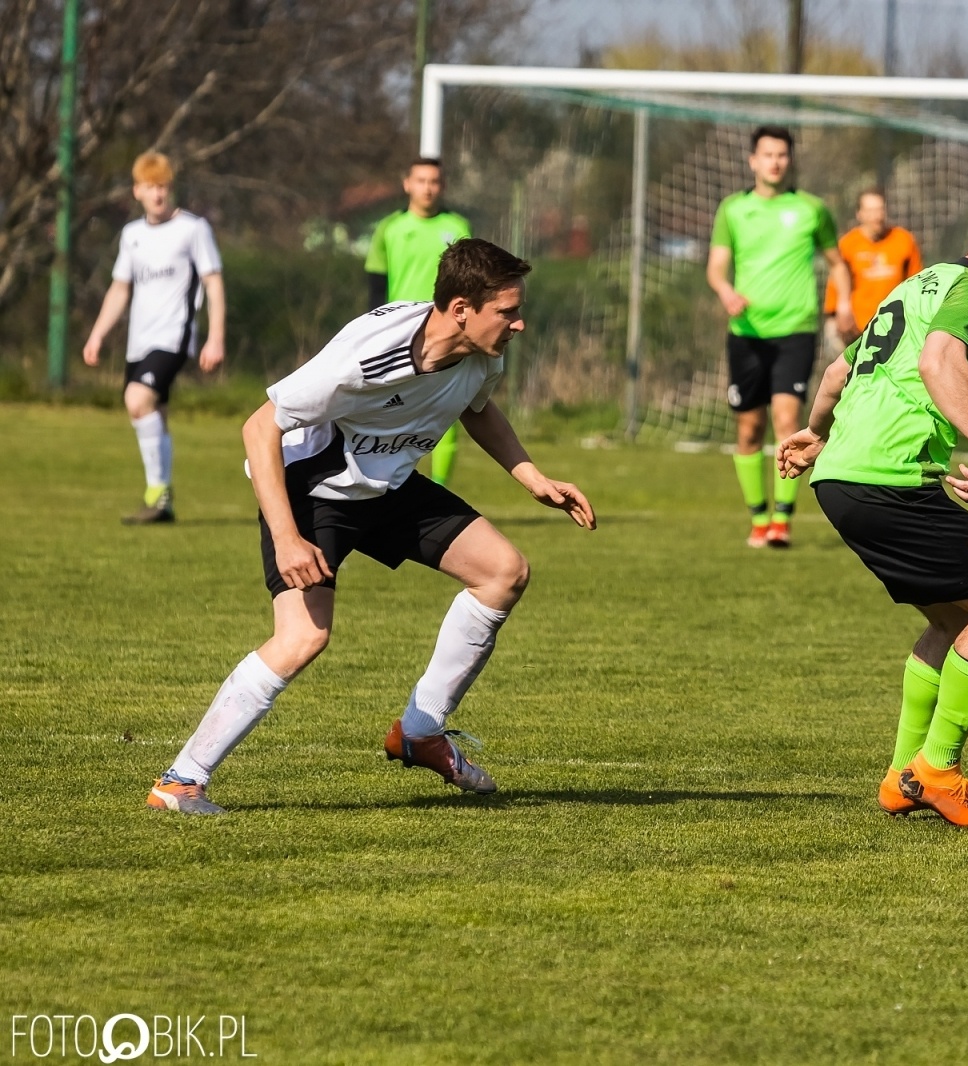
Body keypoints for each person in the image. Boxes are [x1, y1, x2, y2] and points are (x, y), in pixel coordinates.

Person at [146, 239, 596, 815]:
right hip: (315, 492)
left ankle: (421, 731)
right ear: (461, 309)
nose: (519, 323)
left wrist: (531, 476)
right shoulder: (367, 357)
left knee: (503, 572)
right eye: (507, 311)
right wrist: (288, 538)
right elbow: (259, 429)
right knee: (303, 638)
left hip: (387, 485)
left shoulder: (484, 352)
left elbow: (475, 406)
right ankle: (181, 780)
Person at [777, 184, 968, 829]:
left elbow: (835, 375)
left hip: (842, 480)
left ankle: (903, 774)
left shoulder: (918, 285)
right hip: (890, 479)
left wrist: (817, 433)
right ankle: (937, 769)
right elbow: (940, 359)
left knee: (955, 620)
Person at [707, 126, 856, 549]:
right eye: (767, 154)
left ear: (790, 161)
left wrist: (844, 303)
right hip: (747, 334)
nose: (775, 161)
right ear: (753, 160)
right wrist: (725, 291)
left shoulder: (812, 209)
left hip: (795, 329)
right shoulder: (733, 210)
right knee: (749, 428)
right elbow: (716, 266)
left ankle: (782, 521)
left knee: (789, 421)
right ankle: (757, 518)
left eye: (782, 155)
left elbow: (837, 263)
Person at [83, 150, 225, 524]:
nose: (158, 194)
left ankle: (156, 491)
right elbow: (119, 289)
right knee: (154, 415)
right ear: (137, 192)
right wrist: (97, 334)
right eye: (150, 187)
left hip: (174, 336)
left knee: (136, 400)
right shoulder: (132, 235)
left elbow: (213, 283)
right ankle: (161, 502)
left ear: (170, 188)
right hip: (139, 340)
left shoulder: (194, 229)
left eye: (163, 187)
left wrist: (216, 337)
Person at [366, 157, 473, 487]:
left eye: (435, 181)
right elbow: (375, 281)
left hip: (447, 328)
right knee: (392, 405)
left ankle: (439, 486)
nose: (428, 188)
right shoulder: (390, 228)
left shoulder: (457, 227)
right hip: (400, 330)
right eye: (421, 180)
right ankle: (386, 481)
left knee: (449, 406)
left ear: (442, 186)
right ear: (407, 184)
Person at [821, 189, 922, 358]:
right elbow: (835, 288)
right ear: (859, 214)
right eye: (870, 211)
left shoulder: (904, 240)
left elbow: (916, 284)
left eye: (880, 209)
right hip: (857, 331)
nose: (877, 216)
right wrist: (834, 321)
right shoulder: (848, 244)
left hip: (895, 329)